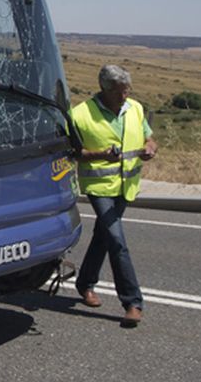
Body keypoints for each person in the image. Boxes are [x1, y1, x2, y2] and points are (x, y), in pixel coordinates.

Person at [72, 64, 157, 327]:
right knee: (117, 241)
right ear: (106, 89)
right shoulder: (80, 114)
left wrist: (150, 148)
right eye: (121, 91)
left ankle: (85, 283)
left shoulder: (135, 108)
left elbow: (150, 137)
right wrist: (99, 155)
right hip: (99, 188)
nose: (126, 95)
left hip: (126, 186)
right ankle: (132, 302)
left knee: (104, 236)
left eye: (128, 89)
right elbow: (75, 153)